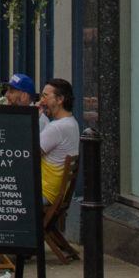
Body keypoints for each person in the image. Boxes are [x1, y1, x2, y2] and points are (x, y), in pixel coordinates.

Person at [39, 77, 80, 207]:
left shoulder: (56, 127)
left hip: (44, 193)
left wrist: (32, 116)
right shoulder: (72, 123)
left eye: (45, 96)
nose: (42, 101)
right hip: (56, 195)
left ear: (60, 99)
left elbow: (27, 155)